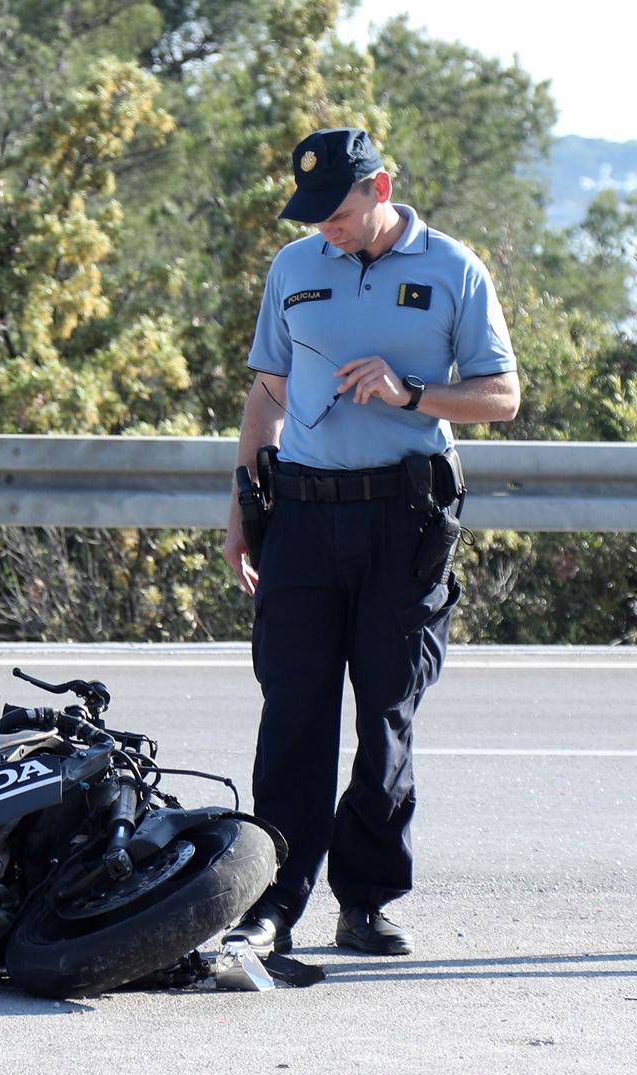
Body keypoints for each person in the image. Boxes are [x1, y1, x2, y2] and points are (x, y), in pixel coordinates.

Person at [221, 127, 520, 957]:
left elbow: (503, 397)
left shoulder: (452, 268)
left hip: (406, 521)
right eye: (315, 215)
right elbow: (266, 395)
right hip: (306, 520)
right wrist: (242, 506)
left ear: (380, 187)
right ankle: (271, 901)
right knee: (293, 716)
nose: (329, 229)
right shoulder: (294, 266)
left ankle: (367, 900)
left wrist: (411, 390)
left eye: (341, 212)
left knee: (385, 716)